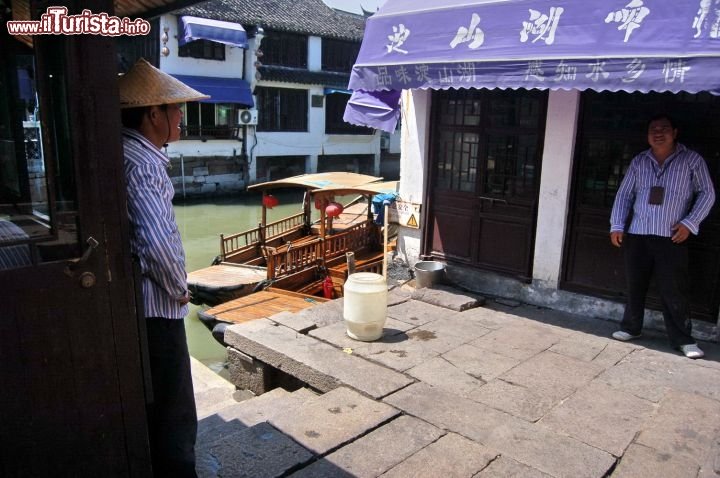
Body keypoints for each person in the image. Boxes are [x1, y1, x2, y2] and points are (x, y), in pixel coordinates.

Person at [118, 58, 209, 476]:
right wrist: (179, 289)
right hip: (157, 306)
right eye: (175, 109)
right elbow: (156, 243)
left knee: (155, 396)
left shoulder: (126, 153)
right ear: (153, 114)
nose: (180, 118)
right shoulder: (144, 164)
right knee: (175, 402)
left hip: (137, 305)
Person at [609, 113, 715, 359]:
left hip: (672, 236)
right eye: (653, 129)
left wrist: (690, 222)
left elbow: (707, 193)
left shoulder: (691, 160)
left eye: (664, 128)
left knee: (674, 289)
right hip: (638, 233)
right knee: (635, 285)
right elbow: (624, 195)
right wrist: (617, 225)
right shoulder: (639, 161)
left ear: (675, 132)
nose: (658, 133)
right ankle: (631, 327)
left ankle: (682, 339)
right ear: (647, 135)